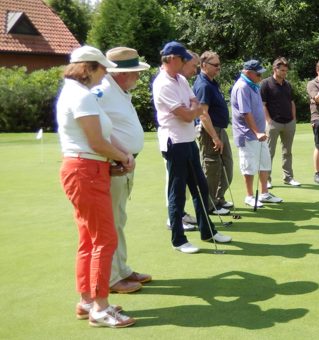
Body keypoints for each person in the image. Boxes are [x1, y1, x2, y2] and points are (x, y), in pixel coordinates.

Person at [56, 45, 136, 327]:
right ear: (88, 68)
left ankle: (87, 300)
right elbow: (96, 142)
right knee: (104, 238)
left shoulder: (77, 93)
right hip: (86, 170)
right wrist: (124, 157)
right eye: (103, 69)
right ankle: (100, 307)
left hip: (85, 169)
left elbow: (103, 137)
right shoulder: (81, 95)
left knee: (90, 239)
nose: (105, 75)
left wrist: (122, 153)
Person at [153, 41, 232, 254]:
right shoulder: (163, 83)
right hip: (174, 142)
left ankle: (208, 231)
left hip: (188, 140)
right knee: (177, 193)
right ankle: (178, 239)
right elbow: (189, 113)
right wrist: (193, 110)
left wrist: (193, 110)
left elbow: (195, 104)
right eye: (183, 60)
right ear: (172, 59)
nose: (187, 65)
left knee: (201, 187)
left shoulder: (180, 79)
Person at [96, 47, 152, 294]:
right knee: (113, 221)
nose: (138, 78)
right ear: (121, 73)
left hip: (125, 163)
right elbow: (96, 127)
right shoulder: (103, 91)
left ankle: (122, 268)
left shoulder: (119, 90)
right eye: (135, 73)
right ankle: (113, 277)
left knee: (120, 218)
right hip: (114, 164)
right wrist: (120, 155)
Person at [231, 59, 284, 207]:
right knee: (249, 166)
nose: (261, 77)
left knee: (264, 163)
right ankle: (249, 196)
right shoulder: (242, 87)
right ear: (248, 73)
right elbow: (245, 112)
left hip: (259, 133)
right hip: (247, 134)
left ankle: (264, 194)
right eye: (258, 74)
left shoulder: (253, 85)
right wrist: (256, 132)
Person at [194, 51, 234, 211]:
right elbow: (203, 115)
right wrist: (215, 137)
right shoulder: (203, 85)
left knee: (226, 166)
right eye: (215, 65)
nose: (219, 68)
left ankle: (218, 198)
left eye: (219, 64)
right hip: (209, 131)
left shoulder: (211, 82)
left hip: (218, 129)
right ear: (204, 65)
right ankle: (209, 205)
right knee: (211, 168)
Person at [260, 57, 301, 188]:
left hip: (289, 122)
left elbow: (292, 102)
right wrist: (269, 121)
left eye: (285, 71)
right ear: (275, 69)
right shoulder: (266, 83)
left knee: (287, 152)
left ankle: (288, 178)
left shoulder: (288, 84)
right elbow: (263, 105)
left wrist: (294, 119)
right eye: (282, 70)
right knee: (269, 152)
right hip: (273, 123)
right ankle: (267, 180)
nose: (284, 73)